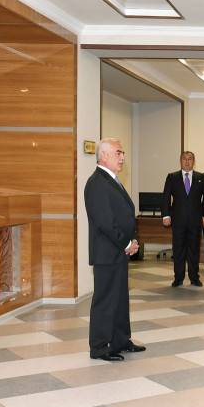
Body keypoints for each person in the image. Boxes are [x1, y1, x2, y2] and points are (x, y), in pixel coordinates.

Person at [84, 138, 144, 361]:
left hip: (117, 251)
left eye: (122, 153)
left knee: (119, 299)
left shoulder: (111, 180)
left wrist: (132, 240)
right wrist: (126, 243)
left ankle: (120, 340)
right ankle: (99, 346)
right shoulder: (96, 183)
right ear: (104, 155)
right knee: (105, 300)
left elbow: (124, 214)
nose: (122, 157)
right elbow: (105, 222)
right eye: (118, 153)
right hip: (106, 252)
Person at [162, 150, 204, 287]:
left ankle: (194, 278)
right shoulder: (172, 177)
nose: (187, 161)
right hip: (178, 220)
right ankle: (178, 278)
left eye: (190, 159)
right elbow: (166, 197)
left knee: (194, 250)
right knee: (178, 250)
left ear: (193, 161)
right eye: (184, 158)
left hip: (195, 220)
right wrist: (166, 215)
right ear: (180, 161)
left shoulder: (201, 177)